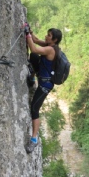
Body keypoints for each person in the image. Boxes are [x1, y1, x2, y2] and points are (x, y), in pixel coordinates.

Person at [24, 25, 62, 153]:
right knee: (34, 57)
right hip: (42, 76)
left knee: (34, 108)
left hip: (45, 85)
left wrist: (27, 35)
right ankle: (32, 77)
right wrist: (30, 33)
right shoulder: (48, 44)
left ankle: (34, 139)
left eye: (49, 35)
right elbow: (35, 40)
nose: (46, 36)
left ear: (55, 40)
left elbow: (33, 48)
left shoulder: (51, 50)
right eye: (47, 34)